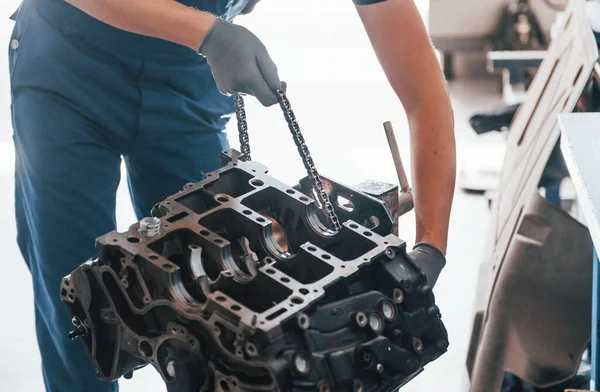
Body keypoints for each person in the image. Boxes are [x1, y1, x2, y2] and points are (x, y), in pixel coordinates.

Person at [8, 0, 456, 390]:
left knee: (230, 305)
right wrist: (208, 32)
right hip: (66, 69)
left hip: (185, 81)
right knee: (82, 303)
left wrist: (431, 245)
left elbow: (423, 92)